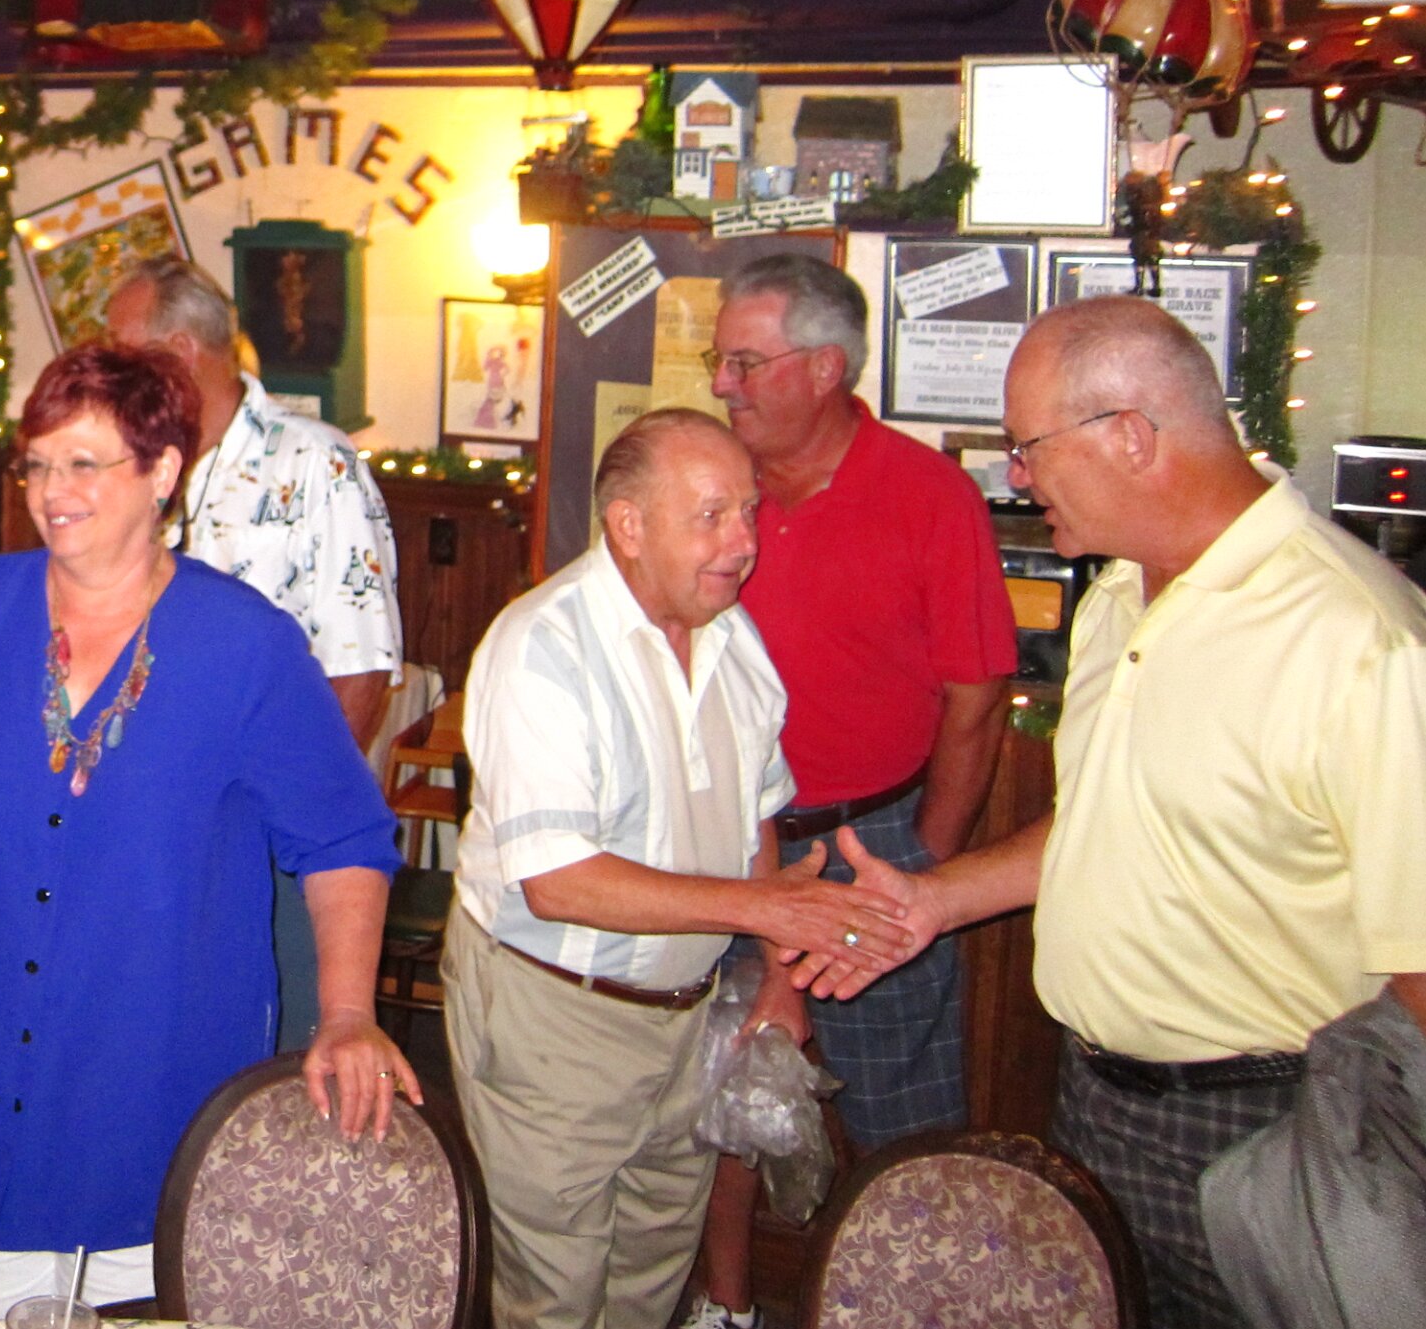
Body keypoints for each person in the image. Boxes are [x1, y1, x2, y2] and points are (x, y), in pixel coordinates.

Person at [796, 297, 1426, 1329]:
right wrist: (932, 901)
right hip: (1096, 1102)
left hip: (1271, 1129)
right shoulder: (1120, 596)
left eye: (1027, 446)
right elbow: (1105, 817)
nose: (1016, 476)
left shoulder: (1361, 641)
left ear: (1129, 435)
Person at [0, 343, 414, 1322]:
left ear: (162, 472)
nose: (51, 491)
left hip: (157, 1072)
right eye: (37, 463)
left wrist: (345, 1012)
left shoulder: (245, 642)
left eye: (84, 463)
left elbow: (342, 841)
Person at [446, 410, 911, 1329]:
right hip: (554, 1014)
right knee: (554, 1293)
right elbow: (559, 881)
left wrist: (777, 977)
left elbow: (754, 818)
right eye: (711, 516)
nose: (744, 541)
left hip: (685, 1015)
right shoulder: (543, 645)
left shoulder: (734, 639)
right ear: (627, 524)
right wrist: (768, 913)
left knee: (652, 1272)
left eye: (747, 511)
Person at [687, 254, 1015, 1329]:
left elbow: (976, 697)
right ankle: (728, 1306)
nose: (722, 383)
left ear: (825, 367)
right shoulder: (708, 489)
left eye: (745, 362)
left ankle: (909, 1307)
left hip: (874, 846)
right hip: (726, 848)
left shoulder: (928, 495)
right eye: (719, 361)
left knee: (902, 1119)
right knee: (724, 1099)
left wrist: (926, 858)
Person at [105, 255, 402, 1050]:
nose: (108, 370)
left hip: (270, 838)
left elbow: (360, 668)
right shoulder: (131, 466)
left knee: (270, 1066)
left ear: (177, 350)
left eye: (120, 348)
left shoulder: (314, 463)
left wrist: (285, 825)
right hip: (143, 828)